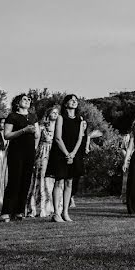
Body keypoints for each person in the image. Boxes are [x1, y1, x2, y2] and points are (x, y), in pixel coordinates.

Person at [47, 94, 86, 223]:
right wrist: (66, 154)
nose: (74, 102)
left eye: (76, 100)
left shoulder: (80, 119)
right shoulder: (60, 117)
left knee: (69, 182)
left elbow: (81, 138)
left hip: (74, 153)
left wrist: (73, 154)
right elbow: (57, 137)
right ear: (65, 103)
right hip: (60, 152)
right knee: (59, 182)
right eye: (71, 100)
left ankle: (65, 212)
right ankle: (56, 213)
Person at [0, 94, 38, 222]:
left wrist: (35, 134)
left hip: (30, 152)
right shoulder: (12, 116)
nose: (27, 101)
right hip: (16, 152)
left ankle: (19, 211)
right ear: (17, 102)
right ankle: (6, 212)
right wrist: (24, 130)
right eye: (24, 99)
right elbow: (7, 135)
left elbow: (37, 135)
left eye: (29, 99)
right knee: (14, 181)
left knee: (26, 181)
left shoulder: (33, 116)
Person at [26, 105, 58, 217]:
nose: (55, 114)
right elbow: (36, 143)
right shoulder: (42, 127)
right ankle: (38, 208)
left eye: (57, 113)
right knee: (40, 178)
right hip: (43, 153)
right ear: (48, 114)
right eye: (53, 112)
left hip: (54, 154)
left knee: (52, 179)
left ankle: (52, 207)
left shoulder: (59, 127)